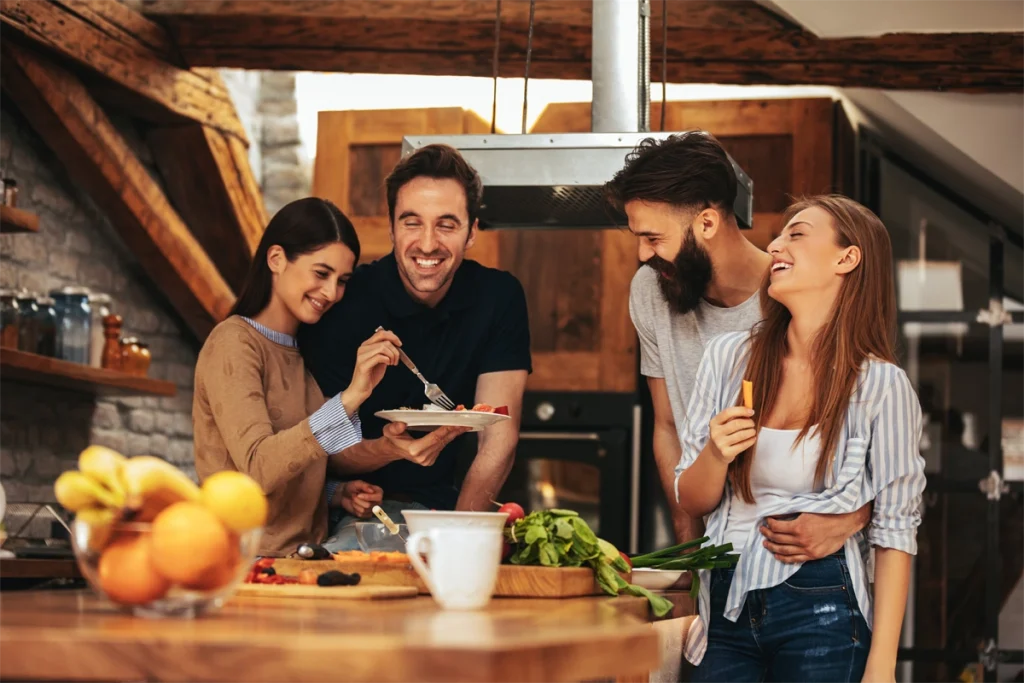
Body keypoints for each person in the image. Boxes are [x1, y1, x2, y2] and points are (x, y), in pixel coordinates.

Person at [676, 195, 927, 681]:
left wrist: (882, 667)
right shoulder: (728, 358)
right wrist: (714, 453)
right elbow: (692, 499)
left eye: (796, 234)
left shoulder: (881, 386)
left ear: (847, 258)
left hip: (823, 607)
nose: (773, 245)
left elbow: (896, 532)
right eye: (779, 235)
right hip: (724, 606)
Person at [604, 133, 871, 561]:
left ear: (707, 223)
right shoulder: (649, 290)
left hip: (803, 558)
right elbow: (668, 426)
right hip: (715, 547)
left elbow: (881, 439)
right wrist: (689, 550)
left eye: (654, 238)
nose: (641, 254)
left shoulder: (799, 292)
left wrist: (849, 520)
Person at [299, 144, 531, 550]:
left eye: (446, 224)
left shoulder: (499, 297)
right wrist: (389, 449)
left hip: (448, 510)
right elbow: (324, 449)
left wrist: (459, 540)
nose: (427, 244)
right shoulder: (345, 302)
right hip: (354, 511)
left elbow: (499, 435)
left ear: (472, 230)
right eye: (412, 223)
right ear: (391, 227)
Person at [192, 197, 402, 557]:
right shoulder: (233, 343)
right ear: (276, 259)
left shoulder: (300, 350)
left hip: (304, 557)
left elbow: (295, 457)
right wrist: (352, 397)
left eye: (342, 281)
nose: (332, 293)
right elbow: (257, 470)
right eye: (321, 274)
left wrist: (334, 493)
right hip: (245, 564)